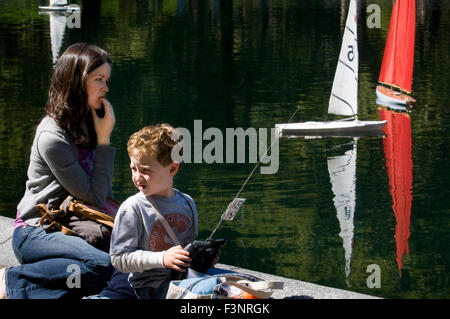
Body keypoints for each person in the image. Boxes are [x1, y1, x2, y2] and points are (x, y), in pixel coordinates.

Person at [0, 43, 116, 299]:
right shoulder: (52, 136)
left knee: (129, 267)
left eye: (106, 80)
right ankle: (11, 280)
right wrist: (105, 140)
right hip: (39, 230)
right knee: (102, 266)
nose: (105, 88)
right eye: (98, 80)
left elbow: (103, 193)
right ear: (76, 82)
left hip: (79, 226)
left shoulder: (92, 122)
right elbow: (94, 197)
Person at [109, 124, 198, 299]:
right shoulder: (133, 208)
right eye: (134, 169)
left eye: (145, 170)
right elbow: (119, 258)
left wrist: (203, 256)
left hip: (184, 279)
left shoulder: (187, 202)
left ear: (172, 169)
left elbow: (188, 247)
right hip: (149, 289)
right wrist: (162, 258)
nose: (137, 177)